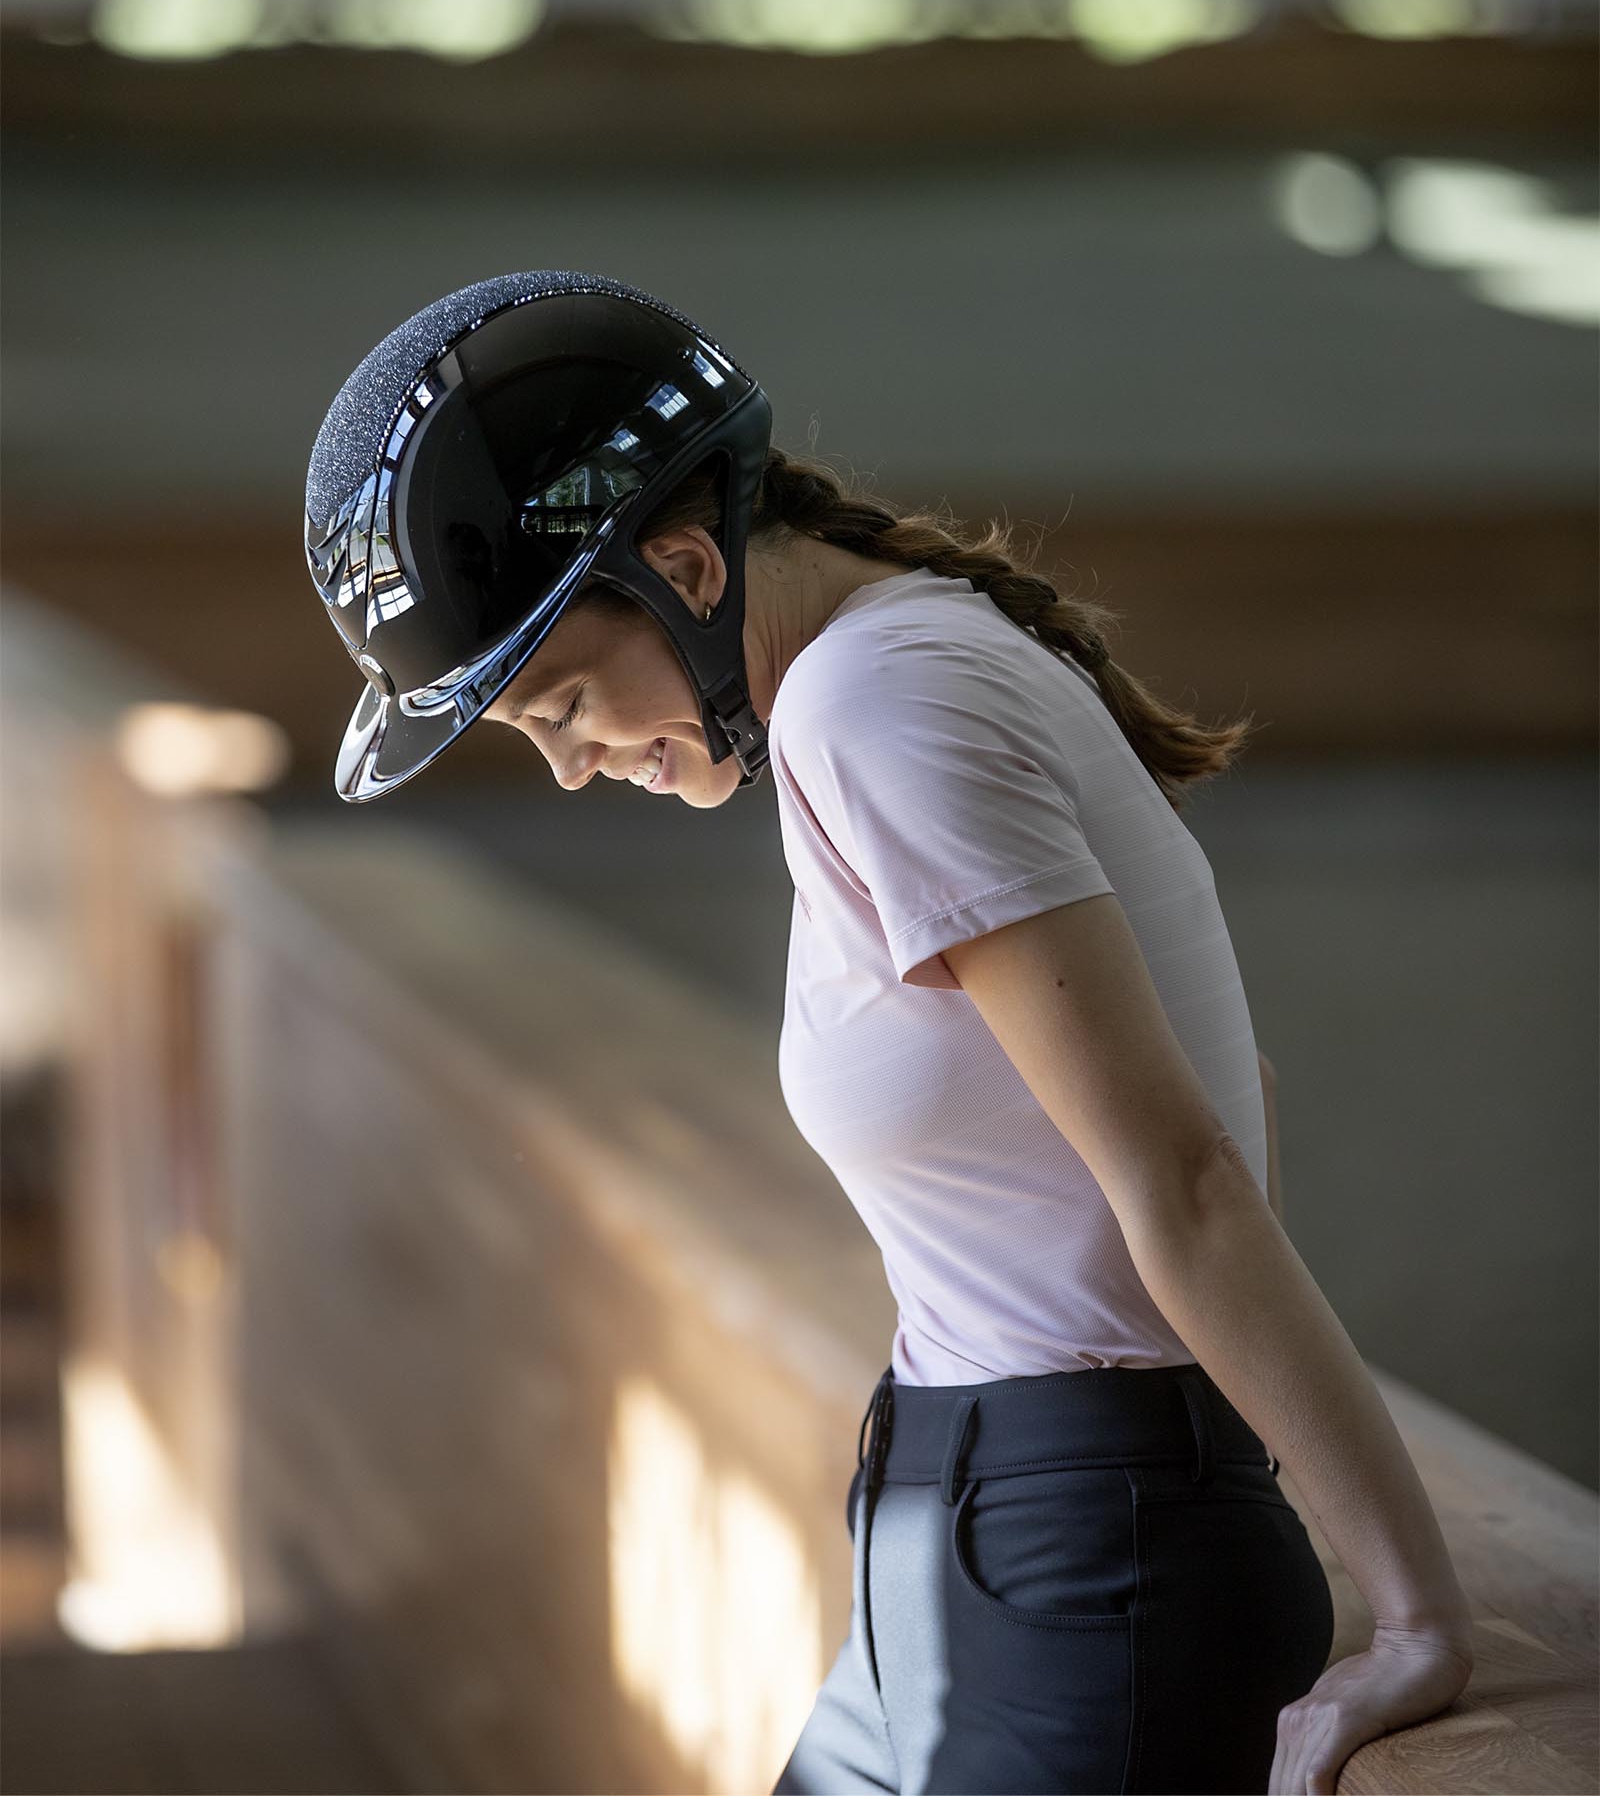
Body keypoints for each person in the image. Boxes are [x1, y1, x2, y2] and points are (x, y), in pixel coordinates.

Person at [305, 269, 1475, 1795]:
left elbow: (1190, 1168)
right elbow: (1219, 1087)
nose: (579, 770)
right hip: (978, 1522)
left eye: (564, 706)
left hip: (1087, 1558)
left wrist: (1416, 1616)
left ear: (684, 570)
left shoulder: (879, 704)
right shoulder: (872, 686)